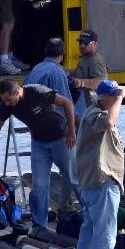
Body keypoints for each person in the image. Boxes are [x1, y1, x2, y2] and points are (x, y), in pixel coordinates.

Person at [0, 79, 76, 228]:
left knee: (74, 177)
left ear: (17, 92)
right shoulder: (7, 105)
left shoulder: (37, 91)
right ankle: (39, 227)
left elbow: (67, 103)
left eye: (8, 100)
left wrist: (71, 132)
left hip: (61, 138)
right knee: (39, 185)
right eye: (4, 100)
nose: (6, 103)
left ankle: (92, 216)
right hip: (39, 143)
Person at [71, 79, 125, 249]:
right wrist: (120, 98)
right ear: (106, 99)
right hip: (101, 182)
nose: (118, 100)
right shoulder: (96, 115)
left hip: (93, 182)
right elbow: (109, 122)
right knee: (105, 232)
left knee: (89, 231)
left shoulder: (95, 113)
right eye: (114, 97)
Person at [24, 37, 81, 215]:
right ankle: (92, 213)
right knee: (74, 176)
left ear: (45, 52)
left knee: (40, 184)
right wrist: (72, 130)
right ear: (62, 54)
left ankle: (39, 223)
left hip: (38, 135)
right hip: (58, 134)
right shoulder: (57, 73)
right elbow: (65, 104)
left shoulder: (36, 69)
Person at [73, 29, 109, 110]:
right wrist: (62, 69)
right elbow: (78, 73)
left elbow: (101, 82)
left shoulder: (97, 62)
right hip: (86, 108)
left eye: (86, 43)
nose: (82, 46)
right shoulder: (85, 58)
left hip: (96, 109)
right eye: (80, 42)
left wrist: (81, 82)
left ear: (95, 44)